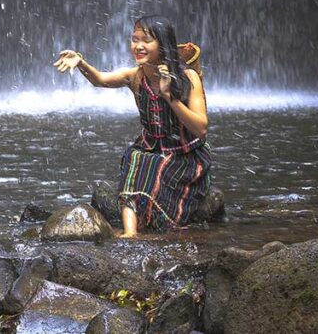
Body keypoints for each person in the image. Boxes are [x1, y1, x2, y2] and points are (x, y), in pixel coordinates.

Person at [54, 15, 210, 236]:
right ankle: (130, 233)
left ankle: (151, 222)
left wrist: (169, 96)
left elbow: (201, 128)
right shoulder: (135, 76)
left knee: (156, 169)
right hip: (149, 148)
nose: (138, 46)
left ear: (163, 45)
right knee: (135, 159)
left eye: (145, 40)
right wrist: (80, 62)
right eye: (134, 40)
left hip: (184, 154)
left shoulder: (188, 77)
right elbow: (100, 80)